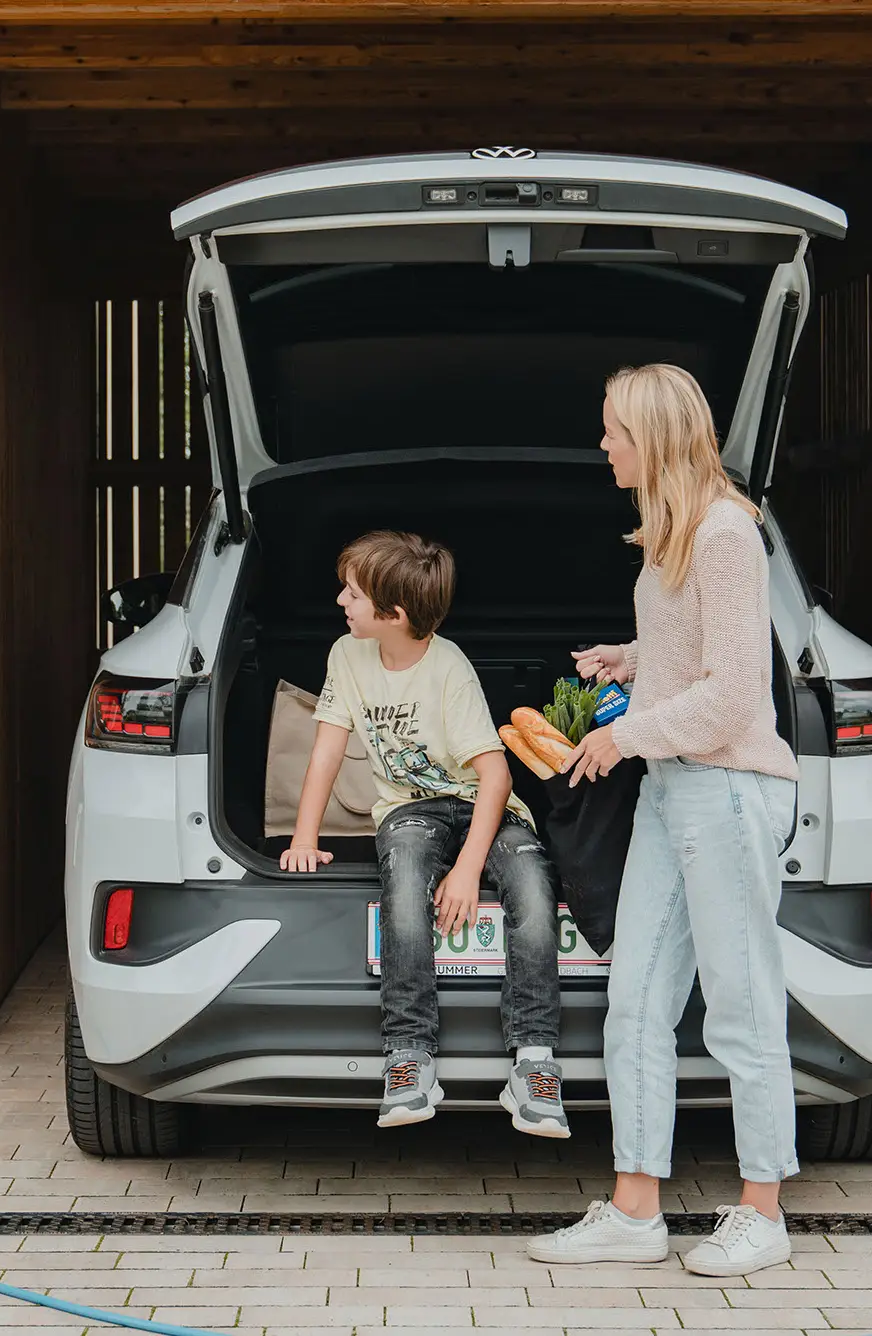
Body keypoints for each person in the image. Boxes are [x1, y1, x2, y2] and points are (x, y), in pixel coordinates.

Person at [529, 364, 800, 1276]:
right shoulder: (670, 537)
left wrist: (625, 735)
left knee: (739, 1004)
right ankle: (636, 1208)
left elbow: (731, 693)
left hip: (725, 789)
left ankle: (763, 1210)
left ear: (655, 436)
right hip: (672, 790)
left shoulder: (726, 534)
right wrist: (632, 657)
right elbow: (694, 650)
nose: (603, 445)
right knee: (636, 998)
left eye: (614, 430)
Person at [281, 531, 568, 1136]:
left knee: (534, 893)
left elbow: (494, 776)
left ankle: (534, 1064)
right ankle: (409, 1056)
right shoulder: (347, 655)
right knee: (405, 886)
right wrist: (303, 836)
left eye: (352, 594)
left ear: (395, 615)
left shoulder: (449, 669)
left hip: (484, 805)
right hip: (411, 809)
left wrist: (467, 870)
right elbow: (327, 750)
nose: (340, 601)